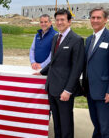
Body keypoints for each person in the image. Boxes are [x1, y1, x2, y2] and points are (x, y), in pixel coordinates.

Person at [35, 9, 84, 138]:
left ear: (69, 21)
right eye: (57, 20)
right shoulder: (56, 37)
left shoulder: (76, 40)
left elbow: (77, 68)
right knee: (57, 122)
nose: (59, 22)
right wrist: (41, 73)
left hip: (64, 90)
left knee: (66, 123)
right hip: (52, 88)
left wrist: (68, 90)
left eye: (62, 20)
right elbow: (53, 61)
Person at [83, 7, 109, 138]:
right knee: (97, 125)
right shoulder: (89, 40)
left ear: (105, 19)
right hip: (90, 91)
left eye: (98, 17)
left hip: (105, 92)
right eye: (93, 17)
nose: (95, 20)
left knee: (106, 128)